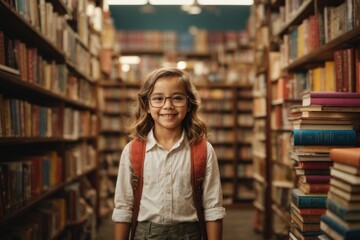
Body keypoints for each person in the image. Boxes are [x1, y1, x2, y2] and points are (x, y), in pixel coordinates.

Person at [112, 67, 226, 240]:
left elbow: (213, 208)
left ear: (189, 104)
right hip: (145, 234)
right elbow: (123, 208)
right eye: (158, 98)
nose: (168, 106)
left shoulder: (203, 150)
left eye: (177, 98)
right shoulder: (133, 151)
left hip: (190, 234)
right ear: (147, 106)